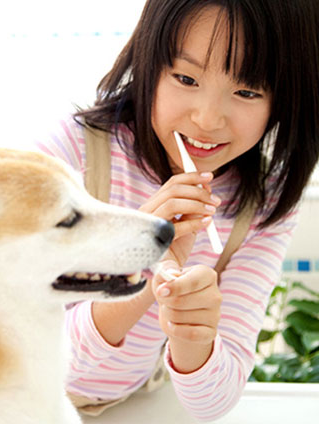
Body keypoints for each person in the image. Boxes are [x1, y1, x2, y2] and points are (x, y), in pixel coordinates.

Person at [35, 0, 319, 421]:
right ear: (148, 64)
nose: (207, 119)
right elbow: (37, 358)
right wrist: (142, 257)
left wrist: (194, 337)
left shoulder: (264, 202)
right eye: (185, 78)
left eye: (246, 91)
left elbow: (213, 403)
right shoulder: (74, 153)